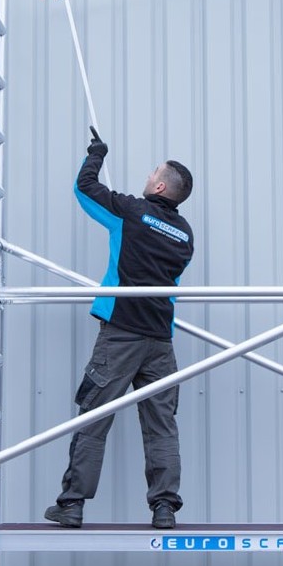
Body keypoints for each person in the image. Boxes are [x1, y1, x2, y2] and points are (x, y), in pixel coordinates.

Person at [45, 126, 195, 530]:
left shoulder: (132, 213)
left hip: (121, 336)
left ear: (160, 186)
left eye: (153, 172)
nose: (148, 175)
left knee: (94, 417)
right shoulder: (184, 234)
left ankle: (72, 504)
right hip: (160, 341)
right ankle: (164, 508)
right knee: (161, 425)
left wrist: (97, 153)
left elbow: (85, 189)